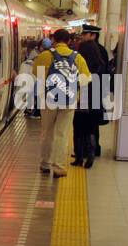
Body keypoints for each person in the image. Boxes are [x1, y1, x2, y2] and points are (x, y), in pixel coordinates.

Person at [33, 29, 90, 177]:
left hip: (49, 99)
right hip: (69, 100)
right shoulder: (78, 58)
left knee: (46, 132)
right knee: (62, 133)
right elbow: (86, 79)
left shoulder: (45, 56)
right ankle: (58, 167)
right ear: (69, 41)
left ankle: (45, 164)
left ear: (53, 40)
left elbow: (37, 76)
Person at [75, 24, 110, 167]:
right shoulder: (102, 51)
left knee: (79, 124)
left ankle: (81, 153)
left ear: (93, 35)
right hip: (97, 91)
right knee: (92, 124)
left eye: (85, 34)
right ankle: (93, 151)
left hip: (84, 91)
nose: (83, 36)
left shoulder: (83, 51)